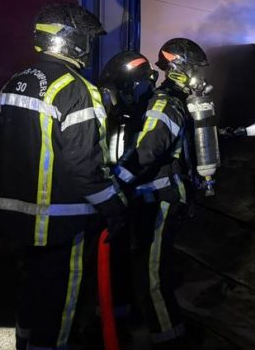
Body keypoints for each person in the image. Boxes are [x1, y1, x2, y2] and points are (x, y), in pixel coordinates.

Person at [0, 1, 127, 350]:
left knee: (29, 293)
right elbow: (86, 167)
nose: (88, 45)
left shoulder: (14, 83)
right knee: (59, 304)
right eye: (86, 38)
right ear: (70, 41)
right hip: (61, 221)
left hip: (16, 221)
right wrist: (114, 208)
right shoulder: (77, 90)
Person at [113, 38, 211, 349]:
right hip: (166, 196)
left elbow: (148, 149)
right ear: (179, 66)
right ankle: (126, 325)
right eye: (193, 66)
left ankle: (169, 339)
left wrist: (117, 182)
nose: (198, 73)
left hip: (160, 199)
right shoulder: (177, 100)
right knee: (143, 268)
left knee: (151, 277)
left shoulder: (165, 102)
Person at [97, 50, 159, 340]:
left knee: (140, 265)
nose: (111, 97)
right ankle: (113, 319)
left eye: (114, 91)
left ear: (133, 87)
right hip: (117, 200)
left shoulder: (150, 117)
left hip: (142, 202)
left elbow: (144, 158)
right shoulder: (114, 116)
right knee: (115, 263)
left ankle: (135, 319)